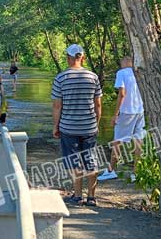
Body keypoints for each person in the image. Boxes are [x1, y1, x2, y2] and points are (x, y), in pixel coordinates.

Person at [52, 44, 102, 207]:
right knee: (91, 160)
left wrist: (55, 126)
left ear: (68, 57)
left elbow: (57, 106)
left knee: (74, 161)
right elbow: (98, 105)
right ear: (83, 58)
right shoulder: (93, 77)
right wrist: (96, 123)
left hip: (68, 127)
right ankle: (92, 197)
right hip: (89, 127)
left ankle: (78, 195)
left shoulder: (61, 78)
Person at [98, 56, 146, 182]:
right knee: (138, 140)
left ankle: (110, 171)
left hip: (127, 112)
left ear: (124, 63)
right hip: (140, 111)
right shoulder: (139, 73)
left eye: (121, 62)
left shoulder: (122, 73)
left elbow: (122, 94)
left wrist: (115, 114)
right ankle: (136, 173)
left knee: (117, 141)